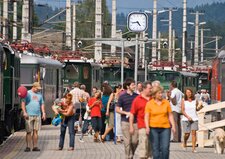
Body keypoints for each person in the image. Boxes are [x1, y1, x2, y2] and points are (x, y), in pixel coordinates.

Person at [145, 86, 176, 159]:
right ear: (154, 94)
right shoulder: (149, 104)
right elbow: (146, 116)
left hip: (165, 128)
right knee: (155, 149)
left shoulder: (166, 103)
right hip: (153, 128)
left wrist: (173, 126)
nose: (161, 95)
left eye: (161, 93)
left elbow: (170, 115)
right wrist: (147, 127)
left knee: (165, 148)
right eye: (159, 93)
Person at [116, 78, 138, 159]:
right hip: (125, 121)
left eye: (134, 85)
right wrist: (126, 113)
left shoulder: (137, 96)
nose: (134, 86)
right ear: (128, 86)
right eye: (133, 85)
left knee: (135, 141)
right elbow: (117, 109)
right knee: (127, 141)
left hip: (136, 122)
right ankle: (128, 156)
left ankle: (131, 153)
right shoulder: (122, 97)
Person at [130, 81, 152, 159]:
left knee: (150, 147)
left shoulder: (153, 99)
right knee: (143, 144)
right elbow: (132, 113)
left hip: (153, 126)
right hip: (142, 126)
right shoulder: (137, 99)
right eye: (149, 88)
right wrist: (131, 126)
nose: (151, 90)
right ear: (144, 89)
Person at [21, 82, 46, 152]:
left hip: (37, 115)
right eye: (37, 89)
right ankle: (28, 146)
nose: (38, 90)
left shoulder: (40, 95)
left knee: (36, 131)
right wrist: (24, 112)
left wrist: (43, 113)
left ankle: (35, 146)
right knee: (29, 131)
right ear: (33, 87)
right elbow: (23, 103)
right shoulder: (27, 93)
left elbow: (42, 104)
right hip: (29, 115)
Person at [181, 88, 201, 153]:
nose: (189, 94)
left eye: (190, 92)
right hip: (186, 119)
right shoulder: (183, 100)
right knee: (187, 134)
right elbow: (182, 111)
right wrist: (188, 117)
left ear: (192, 93)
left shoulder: (195, 100)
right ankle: (185, 142)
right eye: (187, 92)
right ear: (185, 93)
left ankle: (193, 148)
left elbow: (197, 109)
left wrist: (200, 107)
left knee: (194, 133)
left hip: (194, 119)